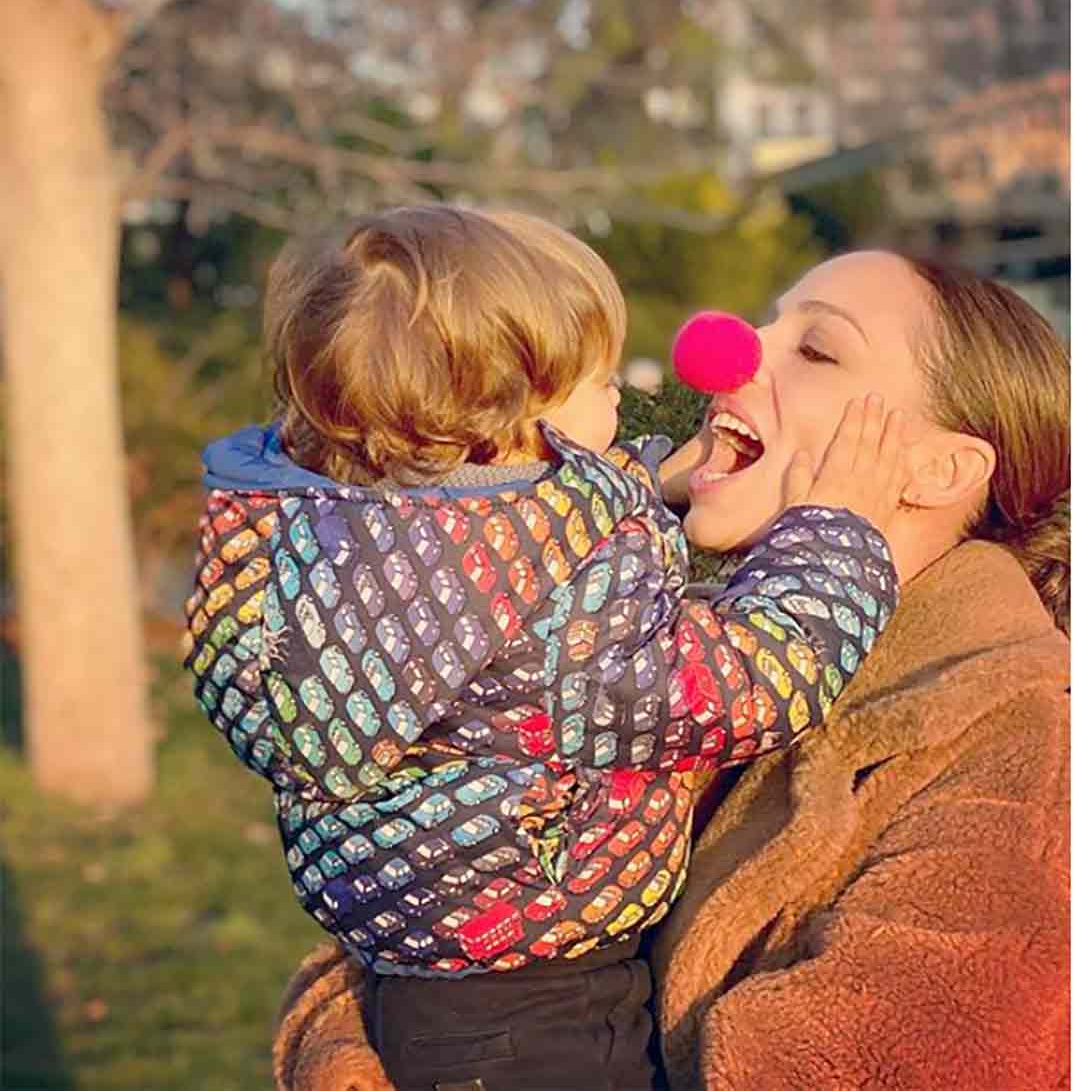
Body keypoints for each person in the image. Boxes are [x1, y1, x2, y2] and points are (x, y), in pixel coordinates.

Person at [269, 249, 1070, 1091]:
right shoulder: (653, 643)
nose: (734, 350)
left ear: (939, 468)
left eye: (817, 350)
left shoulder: (1025, 748)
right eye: (768, 321)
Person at [184, 206, 907, 1091]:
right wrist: (836, 533)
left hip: (428, 990)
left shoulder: (338, 530)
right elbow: (754, 679)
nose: (622, 396)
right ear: (519, 412)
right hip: (541, 1008)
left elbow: (508, 542)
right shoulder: (563, 616)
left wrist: (648, 483)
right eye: (600, 379)